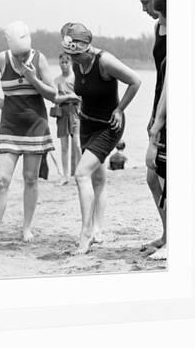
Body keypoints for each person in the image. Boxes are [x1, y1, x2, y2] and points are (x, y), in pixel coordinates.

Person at [61, 22, 141, 254]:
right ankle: (98, 229)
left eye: (77, 55)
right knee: (97, 179)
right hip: (86, 123)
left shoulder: (104, 61)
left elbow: (136, 81)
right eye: (70, 55)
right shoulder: (77, 63)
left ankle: (86, 232)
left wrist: (120, 109)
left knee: (81, 173)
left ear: (87, 48)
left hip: (109, 126)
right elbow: (84, 91)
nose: (73, 59)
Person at [0, 21, 57, 251]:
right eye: (18, 55)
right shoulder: (2, 59)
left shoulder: (39, 59)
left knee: (31, 179)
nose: (22, 59)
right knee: (2, 180)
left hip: (35, 127)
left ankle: (27, 227)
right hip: (9, 128)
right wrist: (1, 103)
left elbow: (53, 94)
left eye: (24, 54)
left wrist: (34, 79)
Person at [137, 0, 167, 252]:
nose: (144, 8)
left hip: (170, 110)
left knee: (166, 177)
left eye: (146, 2)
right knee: (152, 178)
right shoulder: (157, 27)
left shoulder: (180, 28)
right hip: (158, 104)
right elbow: (160, 78)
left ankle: (174, 237)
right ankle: (168, 234)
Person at [53, 52, 82, 185]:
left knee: (77, 144)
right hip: (62, 112)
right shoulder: (57, 80)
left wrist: (71, 96)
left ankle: (80, 173)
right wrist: (69, 96)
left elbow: (81, 96)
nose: (64, 65)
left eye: (66, 62)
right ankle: (65, 175)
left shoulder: (75, 78)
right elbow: (55, 98)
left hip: (75, 111)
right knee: (64, 146)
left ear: (70, 63)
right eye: (62, 62)